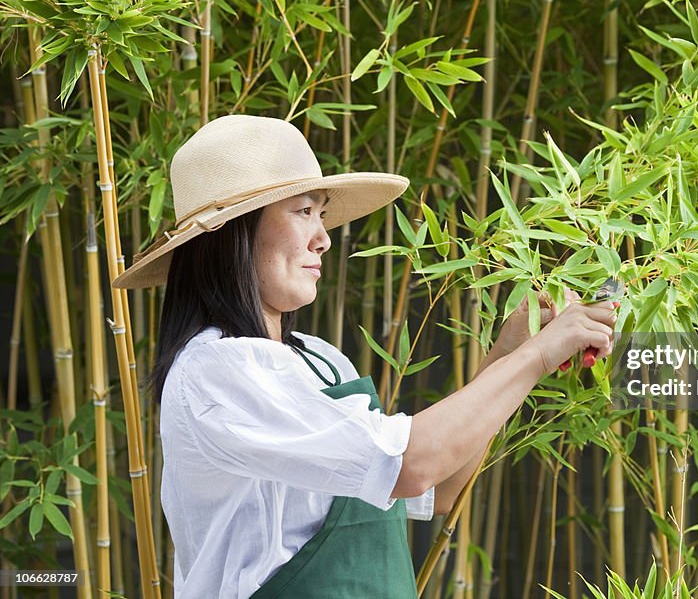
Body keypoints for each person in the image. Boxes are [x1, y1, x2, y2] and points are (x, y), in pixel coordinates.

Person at [112, 114, 617, 598]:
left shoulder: (320, 361)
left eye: (322, 214)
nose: (323, 238)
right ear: (233, 233)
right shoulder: (216, 371)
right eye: (304, 211)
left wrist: (511, 350)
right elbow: (411, 464)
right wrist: (538, 357)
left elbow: (435, 488)